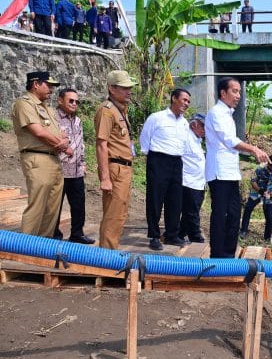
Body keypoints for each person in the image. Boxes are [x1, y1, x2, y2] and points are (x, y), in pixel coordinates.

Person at [205, 77, 270, 258]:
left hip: (230, 173)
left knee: (234, 213)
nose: (238, 95)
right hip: (219, 173)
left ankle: (228, 254)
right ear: (223, 93)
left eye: (239, 92)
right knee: (221, 214)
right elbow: (229, 141)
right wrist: (253, 149)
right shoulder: (217, 113)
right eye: (234, 91)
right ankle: (218, 255)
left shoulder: (227, 114)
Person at [11, 71, 70, 237]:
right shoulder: (24, 103)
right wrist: (62, 145)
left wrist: (62, 142)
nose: (51, 89)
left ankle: (42, 246)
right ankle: (24, 247)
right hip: (37, 158)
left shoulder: (46, 107)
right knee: (37, 205)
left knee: (52, 207)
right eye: (48, 85)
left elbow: (57, 132)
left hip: (53, 158)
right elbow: (38, 132)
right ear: (36, 84)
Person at [139, 88, 191, 251]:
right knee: (155, 199)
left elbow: (184, 144)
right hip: (159, 160)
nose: (186, 104)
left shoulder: (184, 122)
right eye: (184, 100)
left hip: (177, 162)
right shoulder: (157, 117)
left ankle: (171, 234)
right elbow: (145, 138)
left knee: (175, 200)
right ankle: (154, 236)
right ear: (174, 99)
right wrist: (152, 158)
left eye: (188, 101)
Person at [94, 70, 137, 249]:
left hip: (124, 168)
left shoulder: (120, 110)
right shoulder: (107, 111)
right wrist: (105, 178)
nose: (128, 91)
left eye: (129, 88)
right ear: (111, 88)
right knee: (113, 214)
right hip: (115, 168)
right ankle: (107, 257)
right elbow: (101, 144)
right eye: (124, 88)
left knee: (120, 213)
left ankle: (111, 252)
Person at [52, 89, 95, 244]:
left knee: (78, 205)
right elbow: (49, 140)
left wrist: (83, 163)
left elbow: (81, 145)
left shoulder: (77, 120)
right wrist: (64, 148)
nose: (74, 104)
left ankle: (77, 233)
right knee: (55, 206)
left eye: (77, 101)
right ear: (60, 100)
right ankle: (53, 234)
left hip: (76, 171)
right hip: (58, 170)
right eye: (71, 101)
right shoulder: (53, 118)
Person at [239, 155, 272, 243]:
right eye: (269, 167)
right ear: (267, 163)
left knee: (270, 216)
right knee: (248, 209)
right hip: (257, 191)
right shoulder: (260, 168)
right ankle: (243, 230)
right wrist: (260, 191)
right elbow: (253, 181)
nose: (271, 169)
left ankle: (267, 237)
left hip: (270, 193)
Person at [178, 113, 207, 244]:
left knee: (190, 211)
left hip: (198, 182)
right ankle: (195, 236)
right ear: (194, 124)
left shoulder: (197, 140)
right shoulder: (186, 137)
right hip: (189, 182)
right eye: (204, 126)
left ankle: (179, 232)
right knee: (192, 212)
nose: (205, 130)